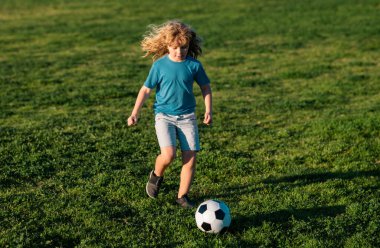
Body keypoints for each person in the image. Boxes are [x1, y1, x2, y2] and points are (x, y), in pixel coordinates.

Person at [127, 20, 212, 208]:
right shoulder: (159, 66)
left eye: (183, 47)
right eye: (174, 47)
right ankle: (156, 175)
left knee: (190, 159)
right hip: (164, 116)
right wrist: (135, 113)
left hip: (187, 117)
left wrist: (208, 110)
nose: (179, 52)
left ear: (189, 45)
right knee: (168, 155)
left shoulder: (194, 65)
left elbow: (205, 87)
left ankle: (182, 196)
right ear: (167, 45)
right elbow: (145, 90)